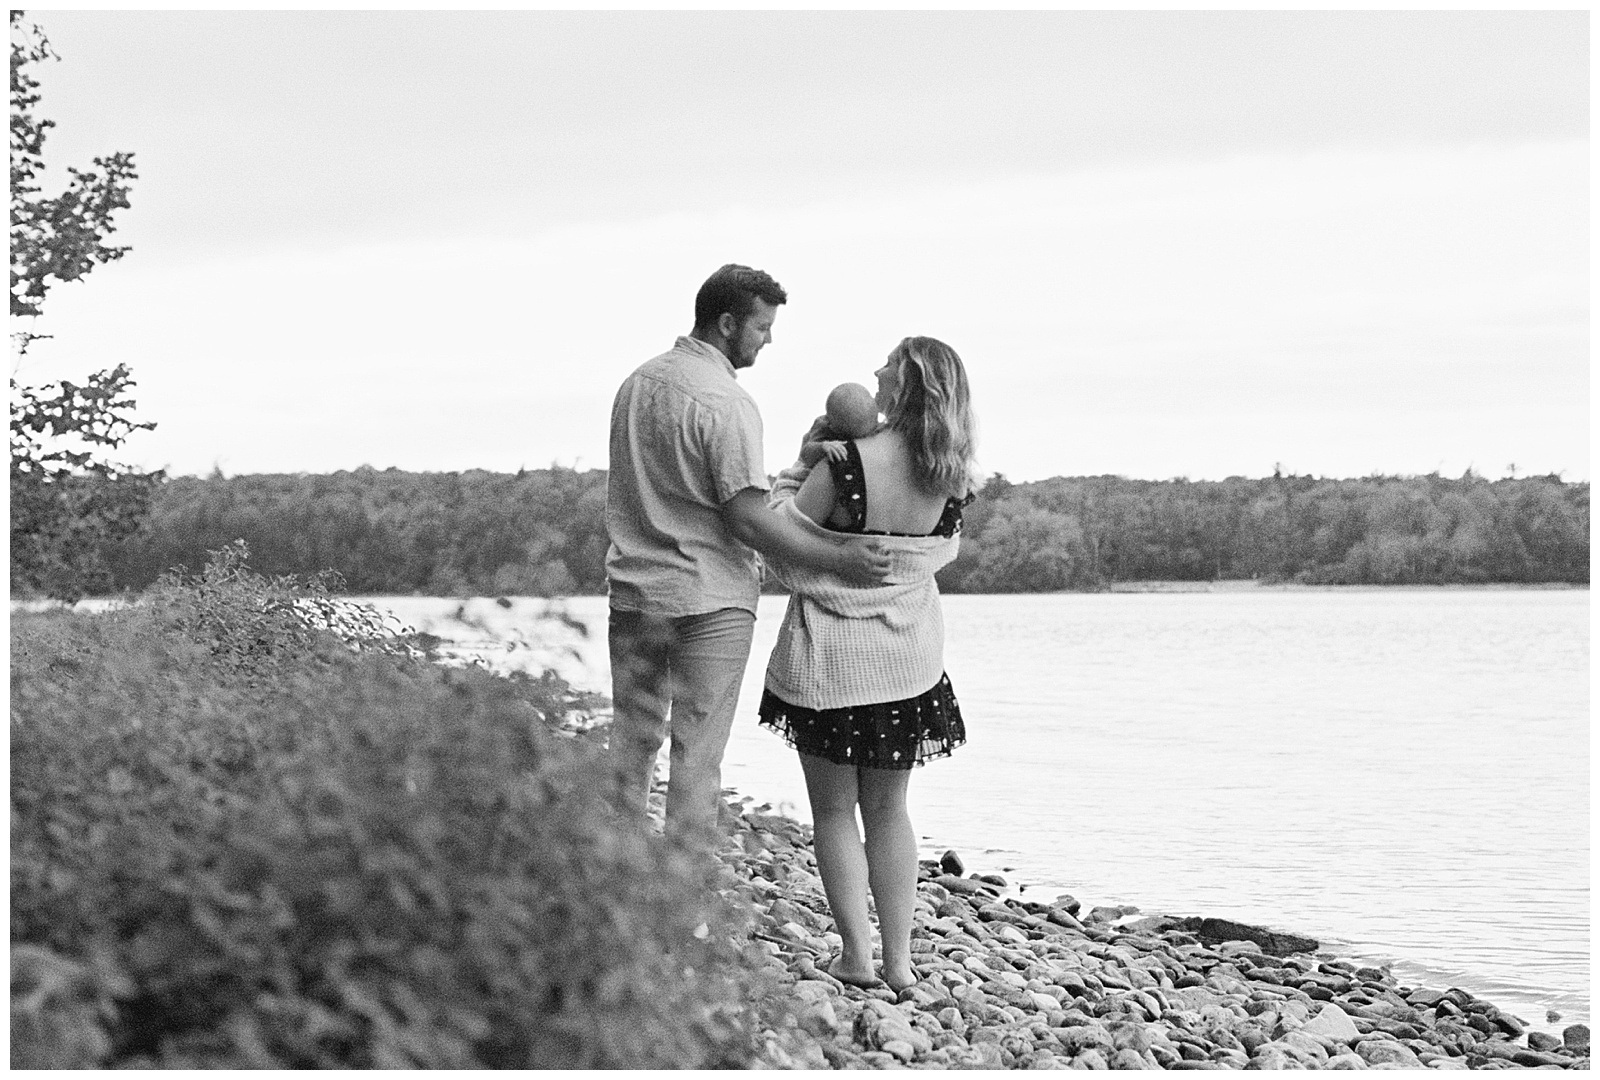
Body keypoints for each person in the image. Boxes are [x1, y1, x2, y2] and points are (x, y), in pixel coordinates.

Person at [604, 264, 892, 849]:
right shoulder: (728, 403)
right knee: (698, 753)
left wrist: (800, 461)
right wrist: (840, 560)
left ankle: (612, 885)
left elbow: (691, 490)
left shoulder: (636, 385)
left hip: (635, 592)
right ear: (728, 322)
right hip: (709, 602)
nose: (768, 339)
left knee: (632, 742)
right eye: (761, 327)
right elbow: (747, 517)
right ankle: (678, 903)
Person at [757, 335, 978, 992]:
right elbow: (929, 560)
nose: (876, 371)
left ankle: (857, 955)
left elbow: (779, 548)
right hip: (906, 664)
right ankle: (902, 963)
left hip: (832, 665)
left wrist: (798, 469)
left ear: (903, 385)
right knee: (890, 810)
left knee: (833, 812)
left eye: (887, 364)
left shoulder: (846, 464)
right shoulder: (951, 479)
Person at [799, 382, 881, 467]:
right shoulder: (822, 427)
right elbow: (805, 454)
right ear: (833, 428)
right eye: (857, 436)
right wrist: (823, 447)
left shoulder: (870, 421)